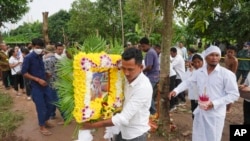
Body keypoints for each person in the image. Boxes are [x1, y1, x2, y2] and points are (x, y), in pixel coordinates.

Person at [169, 45, 239, 141]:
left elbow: (234, 94)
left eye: (217, 55)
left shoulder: (226, 74)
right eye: (211, 55)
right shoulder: (200, 72)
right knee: (199, 136)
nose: (214, 58)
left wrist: (214, 103)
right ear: (206, 57)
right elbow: (188, 82)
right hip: (201, 112)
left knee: (212, 137)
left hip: (215, 114)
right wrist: (176, 90)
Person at [82, 47, 152, 141]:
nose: (126, 73)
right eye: (124, 68)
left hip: (135, 135)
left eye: (130, 69)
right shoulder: (126, 77)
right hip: (120, 130)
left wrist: (93, 125)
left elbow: (123, 118)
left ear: (141, 68)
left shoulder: (143, 87)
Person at [21, 38, 54, 136]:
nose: (39, 49)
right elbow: (24, 73)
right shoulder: (28, 58)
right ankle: (42, 126)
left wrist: (46, 74)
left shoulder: (40, 56)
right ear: (33, 46)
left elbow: (39, 70)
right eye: (37, 47)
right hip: (36, 86)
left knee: (51, 104)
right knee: (41, 107)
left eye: (40, 47)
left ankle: (46, 120)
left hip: (45, 84)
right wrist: (38, 79)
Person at [140, 37, 159, 115]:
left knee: (147, 94)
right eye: (141, 46)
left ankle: (153, 111)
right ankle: (151, 110)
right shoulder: (152, 51)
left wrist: (141, 72)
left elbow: (149, 67)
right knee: (149, 94)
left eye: (143, 46)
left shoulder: (150, 53)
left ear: (148, 45)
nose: (142, 48)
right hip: (154, 76)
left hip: (152, 76)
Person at [182, 54, 204, 118]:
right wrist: (190, 70)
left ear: (202, 62)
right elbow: (185, 81)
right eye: (194, 62)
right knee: (194, 113)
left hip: (203, 97)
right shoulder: (192, 70)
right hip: (194, 96)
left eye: (198, 62)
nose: (197, 64)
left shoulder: (206, 71)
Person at [224, 45, 238, 113]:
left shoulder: (235, 60)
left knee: (230, 93)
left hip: (231, 77)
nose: (229, 53)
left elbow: (233, 72)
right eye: (228, 51)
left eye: (231, 52)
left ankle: (228, 109)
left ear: (234, 53)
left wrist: (230, 80)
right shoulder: (225, 57)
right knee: (224, 92)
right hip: (225, 76)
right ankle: (225, 105)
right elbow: (225, 66)